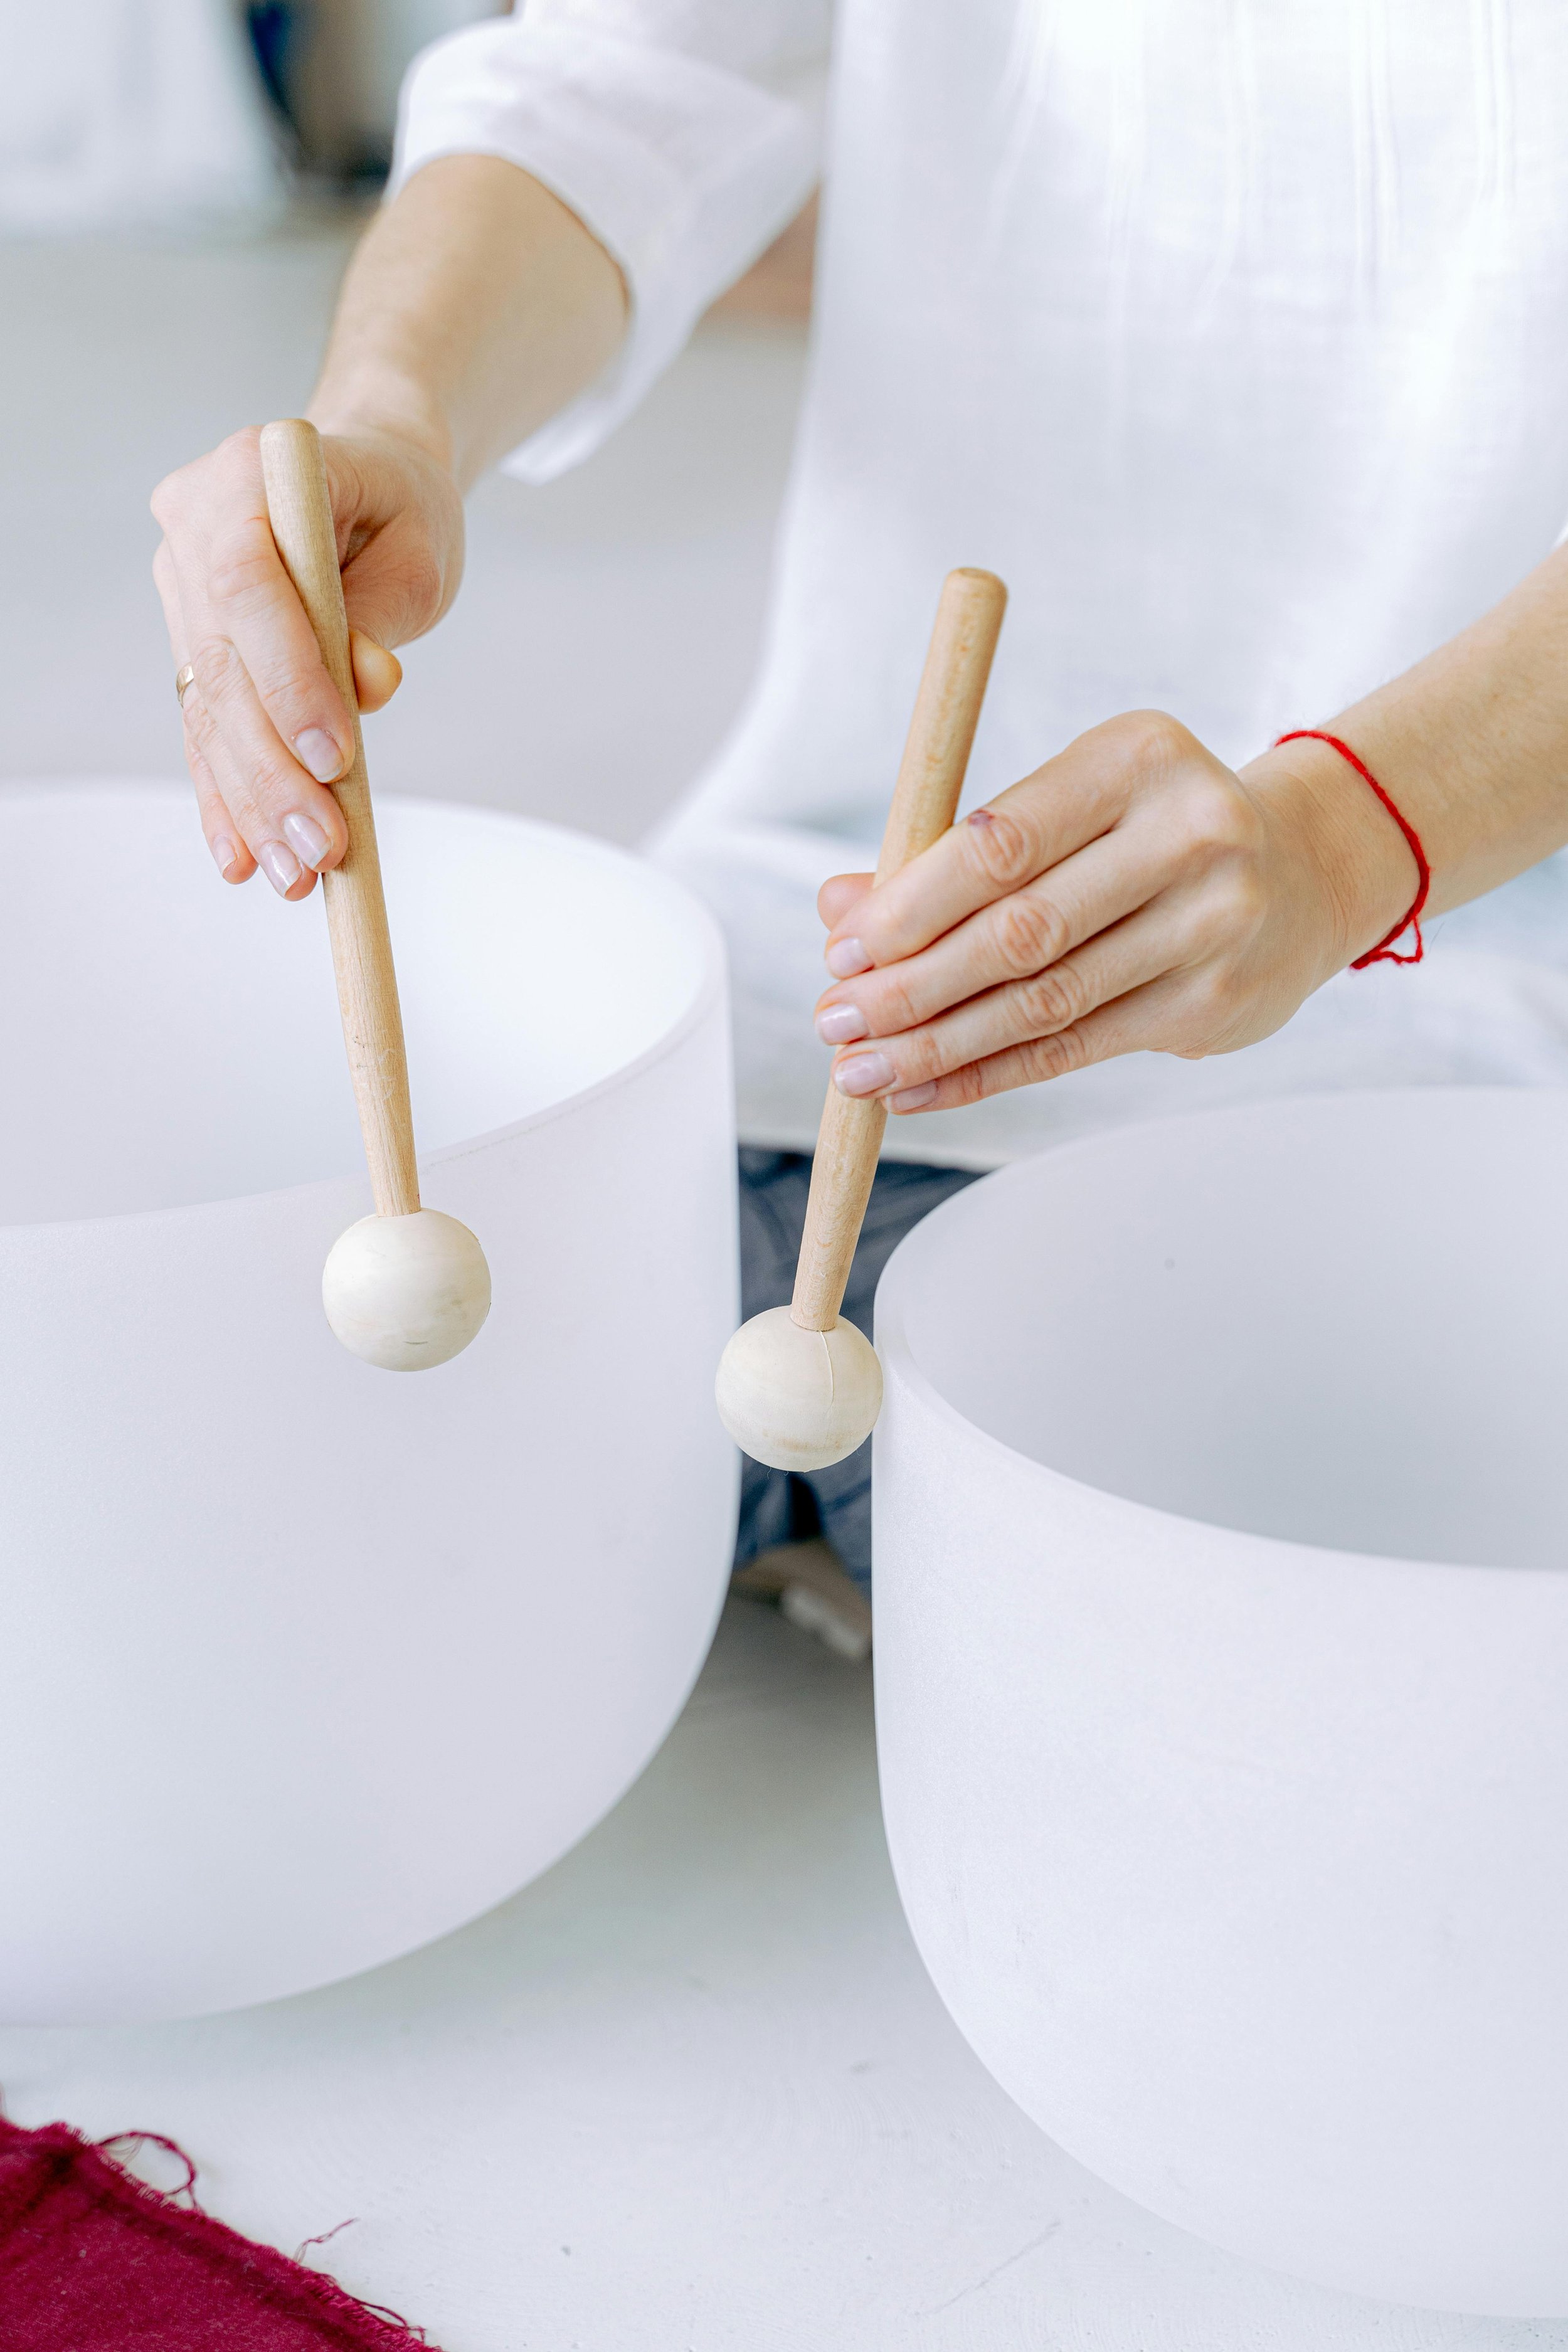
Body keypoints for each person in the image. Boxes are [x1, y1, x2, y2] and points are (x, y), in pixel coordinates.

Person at [152, 0, 1568, 1609]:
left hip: (1480, 1007)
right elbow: (622, 77)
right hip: (827, 972)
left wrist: (1353, 833)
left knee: (1233, 1596)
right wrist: (394, 407)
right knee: (314, 1482)